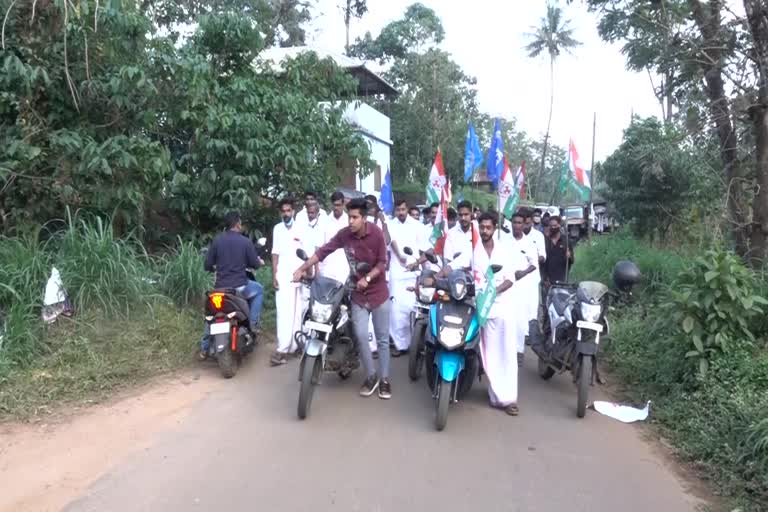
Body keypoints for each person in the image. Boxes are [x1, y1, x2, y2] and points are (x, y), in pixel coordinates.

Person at [292, 198, 393, 400]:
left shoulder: (377, 234)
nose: (351, 221)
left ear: (364, 218)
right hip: (357, 293)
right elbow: (323, 251)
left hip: (379, 293)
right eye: (349, 217)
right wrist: (302, 268)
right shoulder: (345, 235)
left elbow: (383, 262)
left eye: (355, 217)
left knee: (382, 339)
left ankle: (384, 380)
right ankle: (371, 377)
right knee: (362, 336)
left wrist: (368, 277)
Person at [449, 212, 525, 416]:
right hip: (482, 310)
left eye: (488, 228)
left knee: (507, 353)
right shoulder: (473, 250)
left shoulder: (505, 251)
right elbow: (455, 265)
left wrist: (493, 291)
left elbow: (510, 279)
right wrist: (437, 276)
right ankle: (496, 395)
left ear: (495, 228)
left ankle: (509, 399)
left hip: (503, 309)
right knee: (489, 354)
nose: (484, 231)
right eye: (481, 227)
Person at [200, 211, 265, 359]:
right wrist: (259, 262)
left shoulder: (217, 241)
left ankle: (204, 348)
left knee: (212, 315)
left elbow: (207, 265)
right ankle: (253, 324)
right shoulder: (245, 242)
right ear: (237, 224)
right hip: (239, 287)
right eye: (240, 222)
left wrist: (214, 268)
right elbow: (254, 263)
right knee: (259, 290)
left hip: (220, 288)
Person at [271, 198, 308, 366]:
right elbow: (275, 253)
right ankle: (282, 349)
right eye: (283, 211)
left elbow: (307, 251)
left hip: (299, 275)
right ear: (280, 213)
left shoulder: (301, 228)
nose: (286, 214)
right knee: (283, 312)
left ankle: (296, 345)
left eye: (288, 211)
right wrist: (274, 275)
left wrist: (305, 271)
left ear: (293, 211)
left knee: (298, 310)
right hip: (283, 276)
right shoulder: (277, 229)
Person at [387, 199, 424, 357]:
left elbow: (427, 250)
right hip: (397, 272)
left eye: (403, 209)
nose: (401, 213)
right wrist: (400, 256)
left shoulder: (417, 226)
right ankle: (400, 344)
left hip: (413, 273)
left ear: (407, 209)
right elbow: (392, 242)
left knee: (412, 308)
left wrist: (417, 263)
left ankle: (414, 344)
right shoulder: (391, 224)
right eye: (398, 210)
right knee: (395, 310)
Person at [507, 211, 540, 366]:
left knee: (520, 321)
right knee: (505, 319)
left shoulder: (529, 243)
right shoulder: (503, 241)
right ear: (511, 223)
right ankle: (504, 351)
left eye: (520, 223)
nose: (517, 225)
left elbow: (534, 264)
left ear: (523, 224)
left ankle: (519, 351)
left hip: (521, 286)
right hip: (505, 285)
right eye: (514, 222)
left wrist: (523, 273)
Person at [320, 191, 350, 284]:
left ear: (343, 204)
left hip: (344, 269)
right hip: (327, 268)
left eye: (339, 205)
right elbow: (320, 247)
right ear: (331, 205)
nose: (336, 208)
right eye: (334, 205)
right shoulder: (324, 221)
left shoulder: (349, 221)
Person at [543, 216, 574, 287]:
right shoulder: (545, 241)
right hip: (547, 279)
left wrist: (569, 257)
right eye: (551, 226)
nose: (553, 228)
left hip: (561, 278)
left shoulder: (566, 241)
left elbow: (571, 261)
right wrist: (545, 278)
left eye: (555, 225)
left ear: (559, 225)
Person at [443, 200, 474, 266]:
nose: (463, 218)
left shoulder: (478, 232)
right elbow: (447, 258)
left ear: (471, 214)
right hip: (455, 272)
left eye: (466, 214)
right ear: (457, 215)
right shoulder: (451, 233)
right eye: (460, 215)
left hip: (475, 272)